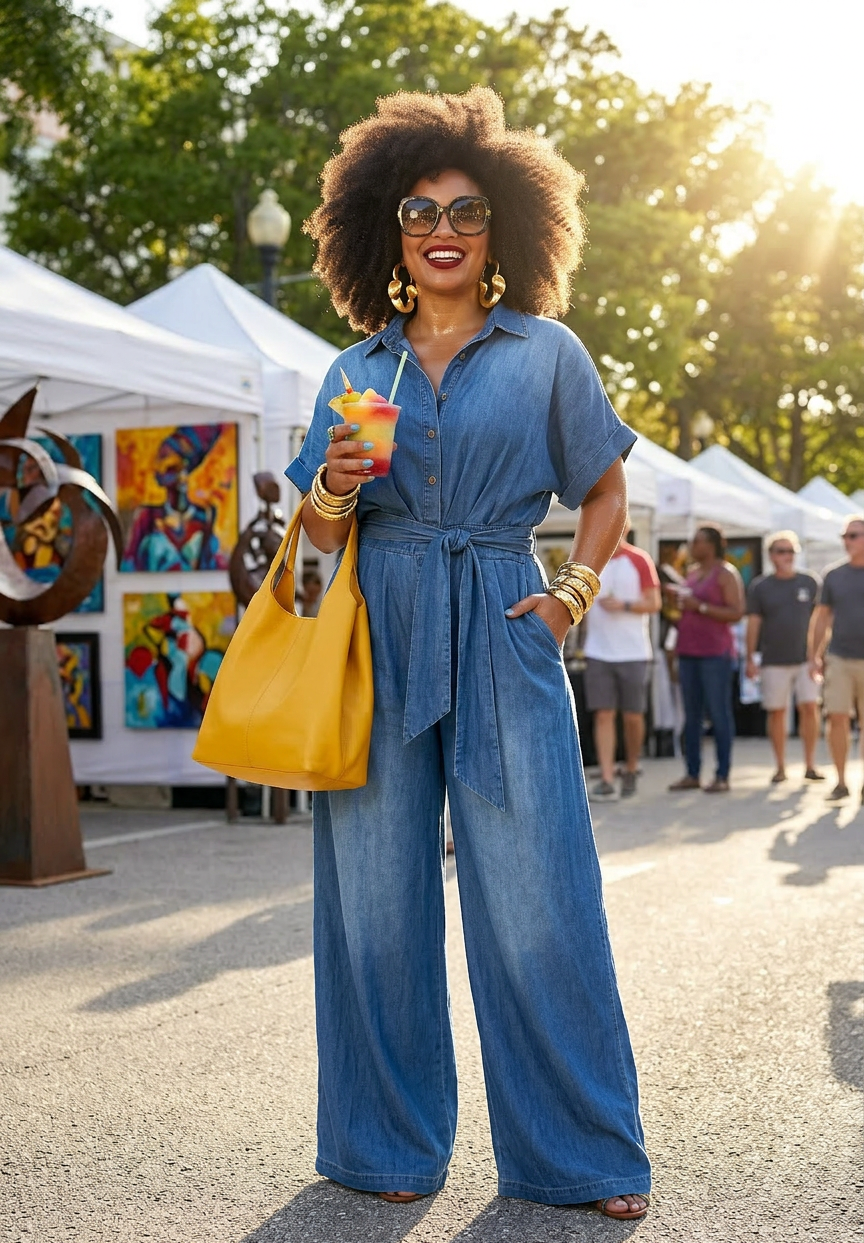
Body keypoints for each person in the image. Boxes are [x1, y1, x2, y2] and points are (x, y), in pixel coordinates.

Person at [284, 88, 650, 1219]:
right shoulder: (357, 371)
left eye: (469, 210)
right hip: (379, 624)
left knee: (540, 898)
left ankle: (580, 1156)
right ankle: (384, 1143)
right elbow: (318, 533)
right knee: (375, 902)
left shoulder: (546, 353)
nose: (443, 228)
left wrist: (569, 598)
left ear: (504, 231)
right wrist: (337, 488)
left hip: (503, 613)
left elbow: (603, 488)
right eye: (419, 210)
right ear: (386, 234)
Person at [666, 526, 745, 792]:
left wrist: (699, 607)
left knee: (719, 714)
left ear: (711, 545)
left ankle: (722, 775)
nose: (691, 546)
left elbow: (737, 612)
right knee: (692, 716)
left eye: (696, 541)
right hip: (688, 652)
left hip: (715, 655)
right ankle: (692, 773)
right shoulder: (692, 573)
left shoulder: (726, 574)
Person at [583, 530, 661, 800]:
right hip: (598, 651)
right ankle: (606, 777)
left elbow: (654, 602)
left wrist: (625, 605)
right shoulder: (591, 558)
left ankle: (630, 766)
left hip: (633, 651)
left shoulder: (639, 559)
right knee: (603, 714)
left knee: (632, 716)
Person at [745, 531, 822, 784]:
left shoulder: (810, 582)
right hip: (773, 659)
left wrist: (818, 655)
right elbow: (753, 624)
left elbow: (820, 622)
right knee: (777, 712)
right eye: (781, 551)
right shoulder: (761, 587)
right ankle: (780, 767)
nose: (787, 556)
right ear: (771, 555)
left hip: (805, 659)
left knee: (810, 708)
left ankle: (810, 765)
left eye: (790, 551)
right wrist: (749, 658)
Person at [807, 514, 864, 802]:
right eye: (845, 536)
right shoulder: (833, 575)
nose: (847, 541)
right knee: (837, 718)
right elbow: (822, 617)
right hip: (839, 656)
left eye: (853, 535)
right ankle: (841, 782)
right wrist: (813, 655)